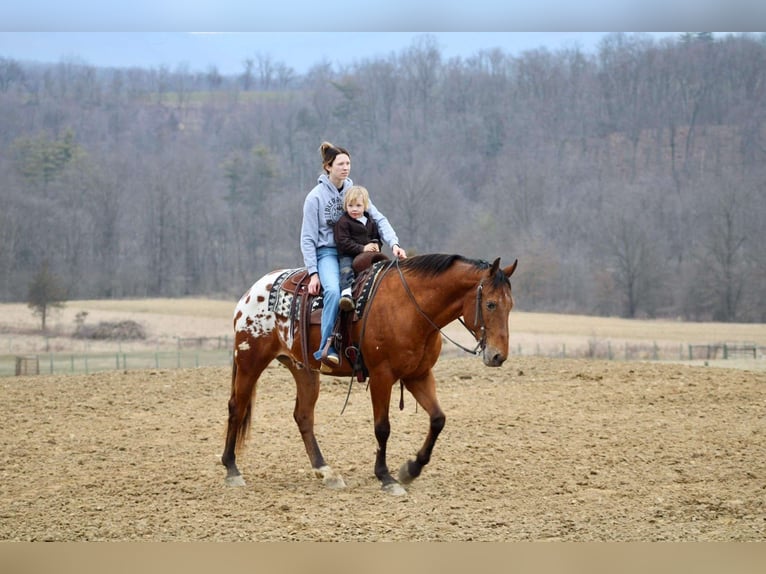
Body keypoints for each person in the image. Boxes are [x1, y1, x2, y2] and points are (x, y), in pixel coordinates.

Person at [300, 142, 406, 366]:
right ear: (328, 167)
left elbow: (378, 218)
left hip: (357, 249)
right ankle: (327, 346)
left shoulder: (354, 193)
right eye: (340, 164)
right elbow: (307, 238)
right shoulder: (315, 198)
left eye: (348, 163)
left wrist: (394, 243)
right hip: (328, 252)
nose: (345, 167)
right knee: (332, 292)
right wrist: (313, 273)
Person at [333, 185, 382, 312]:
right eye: (350, 206)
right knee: (346, 269)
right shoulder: (343, 222)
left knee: (382, 268)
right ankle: (346, 293)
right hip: (348, 254)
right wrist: (362, 248)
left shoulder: (370, 221)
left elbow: (376, 236)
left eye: (358, 206)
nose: (354, 209)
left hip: (367, 254)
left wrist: (376, 244)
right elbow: (343, 242)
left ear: (365, 205)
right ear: (345, 205)